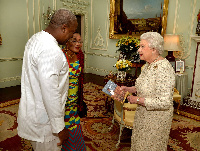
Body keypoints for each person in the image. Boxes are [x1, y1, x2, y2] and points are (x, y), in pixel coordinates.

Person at [17, 9, 78, 151]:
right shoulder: (52, 51)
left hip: (32, 114)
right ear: (63, 28)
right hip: (45, 124)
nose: (70, 38)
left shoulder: (35, 38)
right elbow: (50, 92)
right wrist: (59, 128)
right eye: (71, 33)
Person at [112, 32, 175, 151]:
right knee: (139, 144)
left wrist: (138, 100)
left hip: (156, 120)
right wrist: (129, 89)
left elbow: (165, 102)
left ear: (154, 49)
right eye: (139, 46)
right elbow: (144, 85)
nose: (138, 50)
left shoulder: (164, 69)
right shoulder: (147, 65)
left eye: (142, 46)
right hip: (142, 115)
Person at [61, 32, 86, 150]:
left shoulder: (80, 55)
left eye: (80, 41)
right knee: (64, 125)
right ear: (67, 41)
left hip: (74, 98)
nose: (78, 44)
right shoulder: (60, 56)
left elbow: (81, 79)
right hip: (62, 100)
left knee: (74, 123)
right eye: (74, 40)